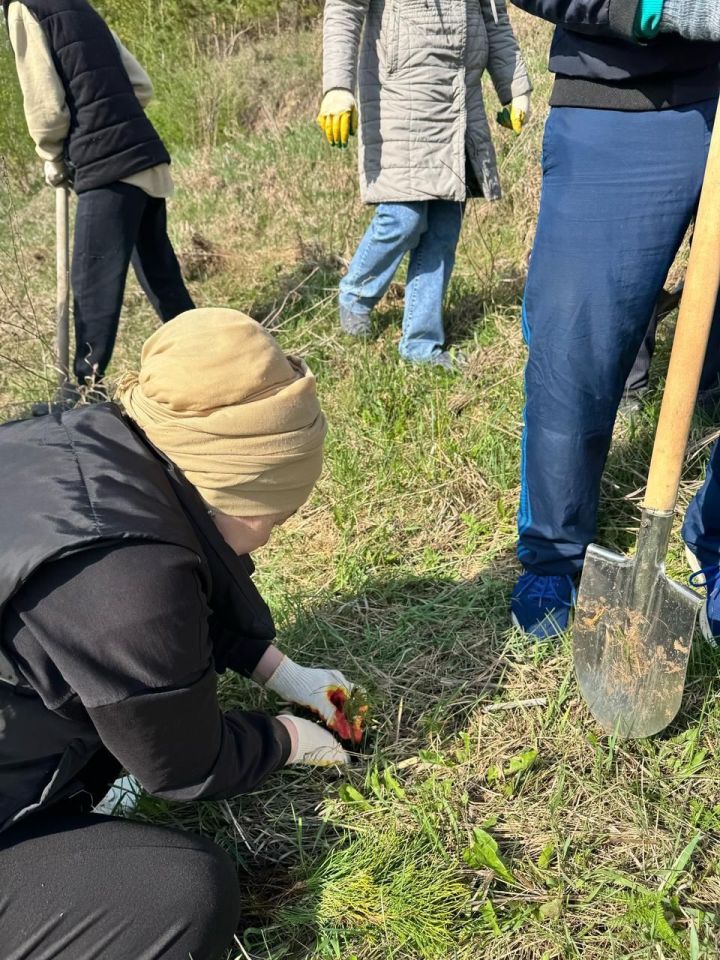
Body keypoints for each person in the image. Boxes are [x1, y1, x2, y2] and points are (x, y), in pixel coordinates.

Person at [0, 308, 361, 960]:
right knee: (175, 894)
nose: (274, 537)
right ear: (231, 489)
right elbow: (182, 765)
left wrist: (279, 670)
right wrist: (288, 739)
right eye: (272, 520)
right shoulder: (126, 586)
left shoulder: (82, 441)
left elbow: (168, 583)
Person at [507, 0, 720, 639]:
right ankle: (554, 550)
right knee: (577, 340)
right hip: (623, 94)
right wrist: (662, 8)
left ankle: (715, 534)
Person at [318, 0, 532, 371]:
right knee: (404, 216)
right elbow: (343, 10)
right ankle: (357, 292)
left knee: (444, 230)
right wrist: (337, 87)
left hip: (460, 102)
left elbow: (494, 18)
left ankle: (421, 344)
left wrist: (515, 89)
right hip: (400, 98)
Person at [4, 0, 194, 400]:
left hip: (108, 165)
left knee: (93, 285)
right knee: (162, 277)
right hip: (145, 155)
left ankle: (85, 391)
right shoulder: (78, 5)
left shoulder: (24, 8)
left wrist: (52, 154)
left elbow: (46, 106)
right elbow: (140, 85)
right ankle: (206, 354)